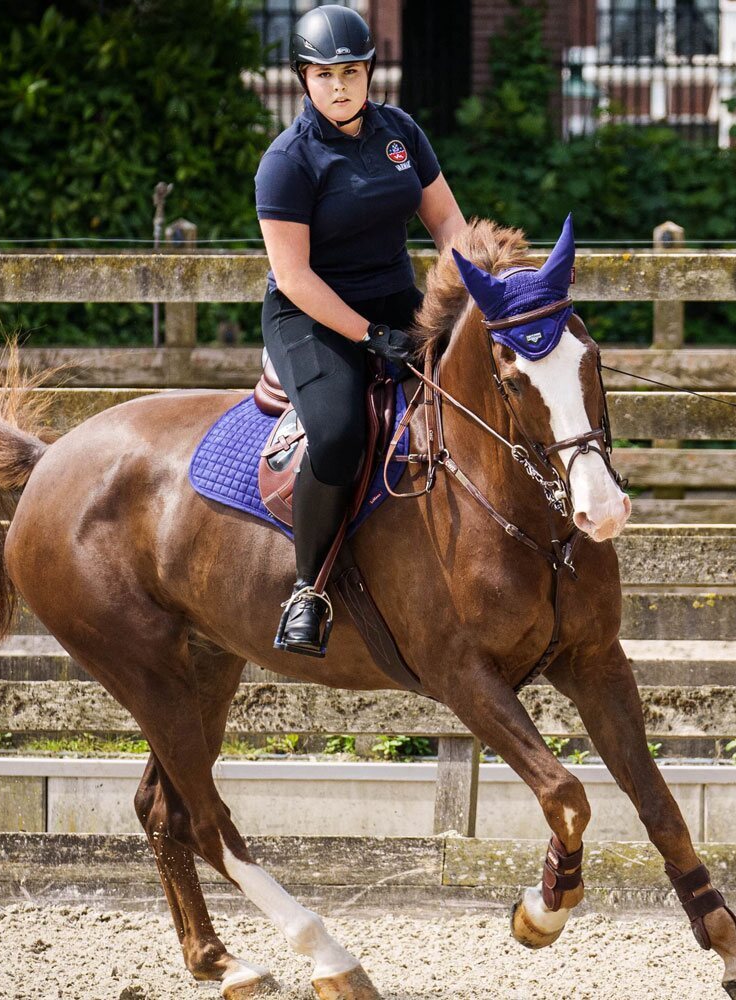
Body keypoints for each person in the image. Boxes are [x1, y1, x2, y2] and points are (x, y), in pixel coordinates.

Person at [255, 4, 466, 656]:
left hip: (394, 298)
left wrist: (480, 297)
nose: (340, 85)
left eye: (352, 71)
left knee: (482, 380)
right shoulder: (287, 161)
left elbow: (450, 228)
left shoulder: (400, 132)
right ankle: (308, 591)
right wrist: (371, 335)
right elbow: (292, 276)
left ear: (371, 72)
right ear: (303, 79)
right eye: (324, 74)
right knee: (342, 431)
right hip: (311, 315)